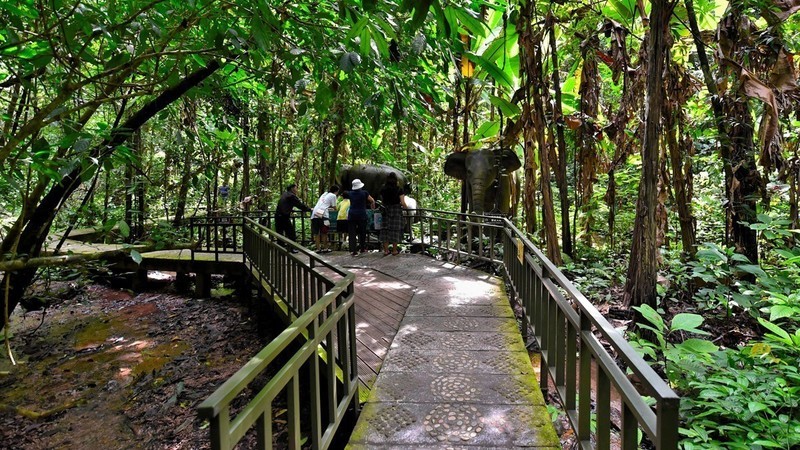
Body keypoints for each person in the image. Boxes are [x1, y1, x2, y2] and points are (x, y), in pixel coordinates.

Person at [275, 183, 312, 252]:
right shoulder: (291, 196)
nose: (297, 190)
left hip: (278, 215)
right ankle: (292, 248)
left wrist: (289, 210)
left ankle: (280, 248)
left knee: (279, 232)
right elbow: (300, 205)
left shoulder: (285, 194)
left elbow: (285, 205)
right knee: (291, 233)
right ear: (292, 189)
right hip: (283, 217)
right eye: (296, 188)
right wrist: (309, 209)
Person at [342, 179, 375, 256]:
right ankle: (362, 248)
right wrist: (372, 206)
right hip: (362, 214)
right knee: (362, 232)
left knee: (352, 233)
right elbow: (372, 200)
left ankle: (353, 251)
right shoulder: (365, 193)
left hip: (352, 214)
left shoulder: (350, 193)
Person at [379, 172, 407, 255]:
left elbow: (381, 200)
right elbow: (402, 202)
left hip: (386, 211)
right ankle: (394, 250)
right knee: (395, 230)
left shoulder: (383, 189)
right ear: (396, 180)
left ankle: (386, 251)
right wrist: (405, 208)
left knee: (385, 230)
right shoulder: (399, 189)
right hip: (396, 211)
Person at [311, 185, 339, 253]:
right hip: (323, 214)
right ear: (336, 191)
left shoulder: (324, 194)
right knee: (324, 232)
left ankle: (318, 249)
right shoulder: (333, 195)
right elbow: (335, 207)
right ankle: (325, 248)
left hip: (315, 213)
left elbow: (324, 205)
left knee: (316, 233)